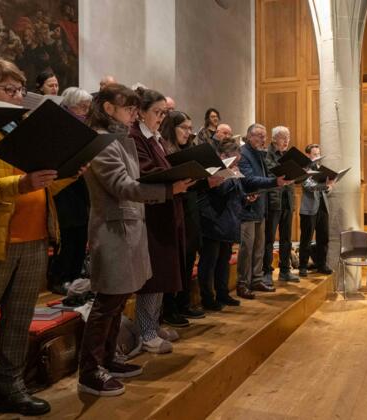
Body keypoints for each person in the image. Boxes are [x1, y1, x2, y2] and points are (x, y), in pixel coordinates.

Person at [0, 59, 75, 417]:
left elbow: (40, 188)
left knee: (18, 321)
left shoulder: (22, 131)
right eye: (9, 90)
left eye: (20, 90)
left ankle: (12, 388)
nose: (18, 96)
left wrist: (70, 172)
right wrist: (20, 183)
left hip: (35, 240)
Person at [78, 84, 170, 397]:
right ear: (108, 108)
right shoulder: (100, 141)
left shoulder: (119, 138)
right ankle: (89, 371)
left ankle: (107, 359)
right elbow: (122, 185)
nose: (134, 114)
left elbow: (133, 182)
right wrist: (167, 190)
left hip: (128, 226)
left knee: (118, 301)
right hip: (112, 229)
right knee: (106, 302)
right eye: (129, 108)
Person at [131, 88, 193, 352]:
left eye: (163, 113)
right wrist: (174, 180)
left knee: (164, 271)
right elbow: (146, 171)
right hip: (152, 212)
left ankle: (154, 324)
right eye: (156, 112)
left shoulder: (155, 138)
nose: (161, 118)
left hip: (167, 209)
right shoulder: (135, 137)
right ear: (140, 112)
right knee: (154, 276)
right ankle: (145, 331)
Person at [162, 111, 223, 326]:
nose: (189, 132)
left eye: (190, 128)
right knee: (174, 262)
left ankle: (183, 303)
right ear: (171, 128)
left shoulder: (186, 151)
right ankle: (169, 308)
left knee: (188, 260)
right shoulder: (164, 150)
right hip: (172, 211)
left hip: (190, 209)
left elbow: (190, 184)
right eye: (184, 128)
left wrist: (207, 182)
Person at [47, 87, 93, 294]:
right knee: (67, 234)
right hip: (61, 186)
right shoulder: (56, 125)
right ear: (68, 105)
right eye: (82, 106)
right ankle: (60, 278)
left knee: (81, 231)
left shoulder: (83, 125)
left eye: (87, 107)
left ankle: (75, 277)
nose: (85, 111)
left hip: (78, 185)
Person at [237, 123, 291, 299]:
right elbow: (249, 180)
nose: (263, 140)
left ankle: (256, 279)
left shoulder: (259, 154)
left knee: (259, 247)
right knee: (247, 249)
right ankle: (242, 283)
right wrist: (275, 182)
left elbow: (265, 176)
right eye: (259, 136)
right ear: (249, 136)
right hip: (247, 207)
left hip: (260, 207)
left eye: (264, 136)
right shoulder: (243, 154)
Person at [197, 140, 249, 309]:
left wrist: (246, 198)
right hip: (213, 222)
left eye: (237, 161)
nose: (236, 164)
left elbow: (237, 192)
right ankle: (207, 298)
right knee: (209, 262)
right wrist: (232, 174)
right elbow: (220, 189)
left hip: (228, 223)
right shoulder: (214, 167)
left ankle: (223, 294)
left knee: (223, 261)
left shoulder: (232, 169)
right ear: (223, 155)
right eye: (234, 160)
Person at [263, 126, 299, 284]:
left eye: (288, 137)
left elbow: (294, 177)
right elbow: (271, 172)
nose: (286, 141)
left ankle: (285, 270)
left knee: (286, 238)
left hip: (287, 199)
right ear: (274, 139)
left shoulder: (288, 155)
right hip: (273, 200)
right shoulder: (267, 154)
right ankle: (267, 271)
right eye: (283, 137)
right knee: (269, 239)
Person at [298, 144, 334, 277]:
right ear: (308, 155)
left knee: (323, 238)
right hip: (309, 209)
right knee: (306, 239)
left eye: (319, 154)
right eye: (314, 154)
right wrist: (325, 186)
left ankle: (321, 264)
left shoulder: (320, 169)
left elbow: (326, 190)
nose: (317, 157)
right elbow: (309, 186)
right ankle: (302, 266)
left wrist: (329, 187)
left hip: (323, 207)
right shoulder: (304, 169)